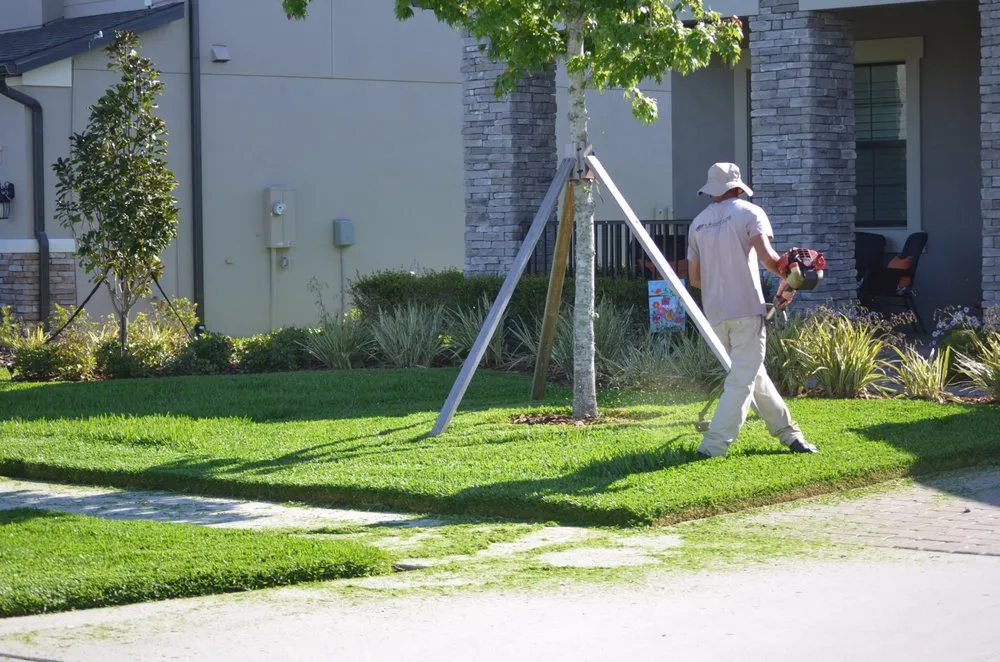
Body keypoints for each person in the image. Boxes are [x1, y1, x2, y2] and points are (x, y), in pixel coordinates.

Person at [686, 162, 818, 458]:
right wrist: (790, 276)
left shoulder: (697, 223)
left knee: (753, 375)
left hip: (715, 314)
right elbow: (768, 259)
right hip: (745, 311)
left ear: (712, 190)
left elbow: (695, 279)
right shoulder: (750, 213)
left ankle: (790, 436)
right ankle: (714, 446)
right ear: (737, 186)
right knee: (741, 381)